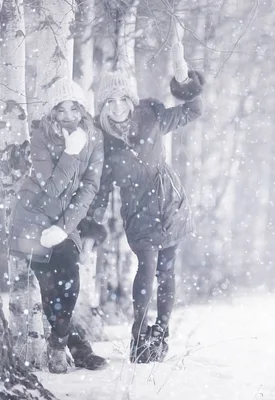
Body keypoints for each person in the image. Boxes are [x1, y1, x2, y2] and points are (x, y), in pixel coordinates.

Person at [87, 39, 204, 363]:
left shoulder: (152, 116)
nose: (117, 106)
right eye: (110, 101)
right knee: (147, 267)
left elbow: (194, 110)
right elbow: (100, 189)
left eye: (122, 98)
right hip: (138, 212)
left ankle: (161, 334)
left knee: (167, 271)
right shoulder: (104, 143)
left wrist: (184, 81)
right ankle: (138, 339)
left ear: (130, 99)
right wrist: (91, 226)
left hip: (169, 204)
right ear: (103, 105)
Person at [8, 78, 108, 373]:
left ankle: (62, 342)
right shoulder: (42, 136)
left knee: (70, 280)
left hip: (65, 219)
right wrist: (71, 152)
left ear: (82, 110)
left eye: (73, 109)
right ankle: (72, 346)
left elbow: (90, 186)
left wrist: (65, 228)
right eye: (61, 110)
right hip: (32, 218)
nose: (68, 117)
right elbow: (51, 189)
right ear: (52, 113)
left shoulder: (94, 137)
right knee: (51, 286)